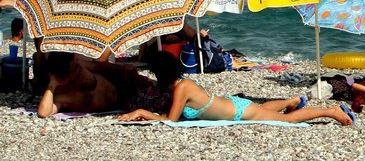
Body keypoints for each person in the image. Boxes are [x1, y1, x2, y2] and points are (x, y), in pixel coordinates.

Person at [117, 51, 351, 124]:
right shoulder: (178, 85)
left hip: (240, 111)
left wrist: (141, 113)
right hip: (235, 105)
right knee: (266, 110)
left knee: (286, 121)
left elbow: (171, 120)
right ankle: (291, 102)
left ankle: (331, 112)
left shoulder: (181, 89)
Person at [37, 52, 153, 118]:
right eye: (74, 68)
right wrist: (51, 86)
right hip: (124, 103)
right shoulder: (63, 95)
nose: (78, 69)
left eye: (77, 65)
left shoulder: (81, 66)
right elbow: (43, 113)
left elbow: (103, 67)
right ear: (62, 77)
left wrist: (126, 70)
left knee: (152, 87)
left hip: (122, 85)